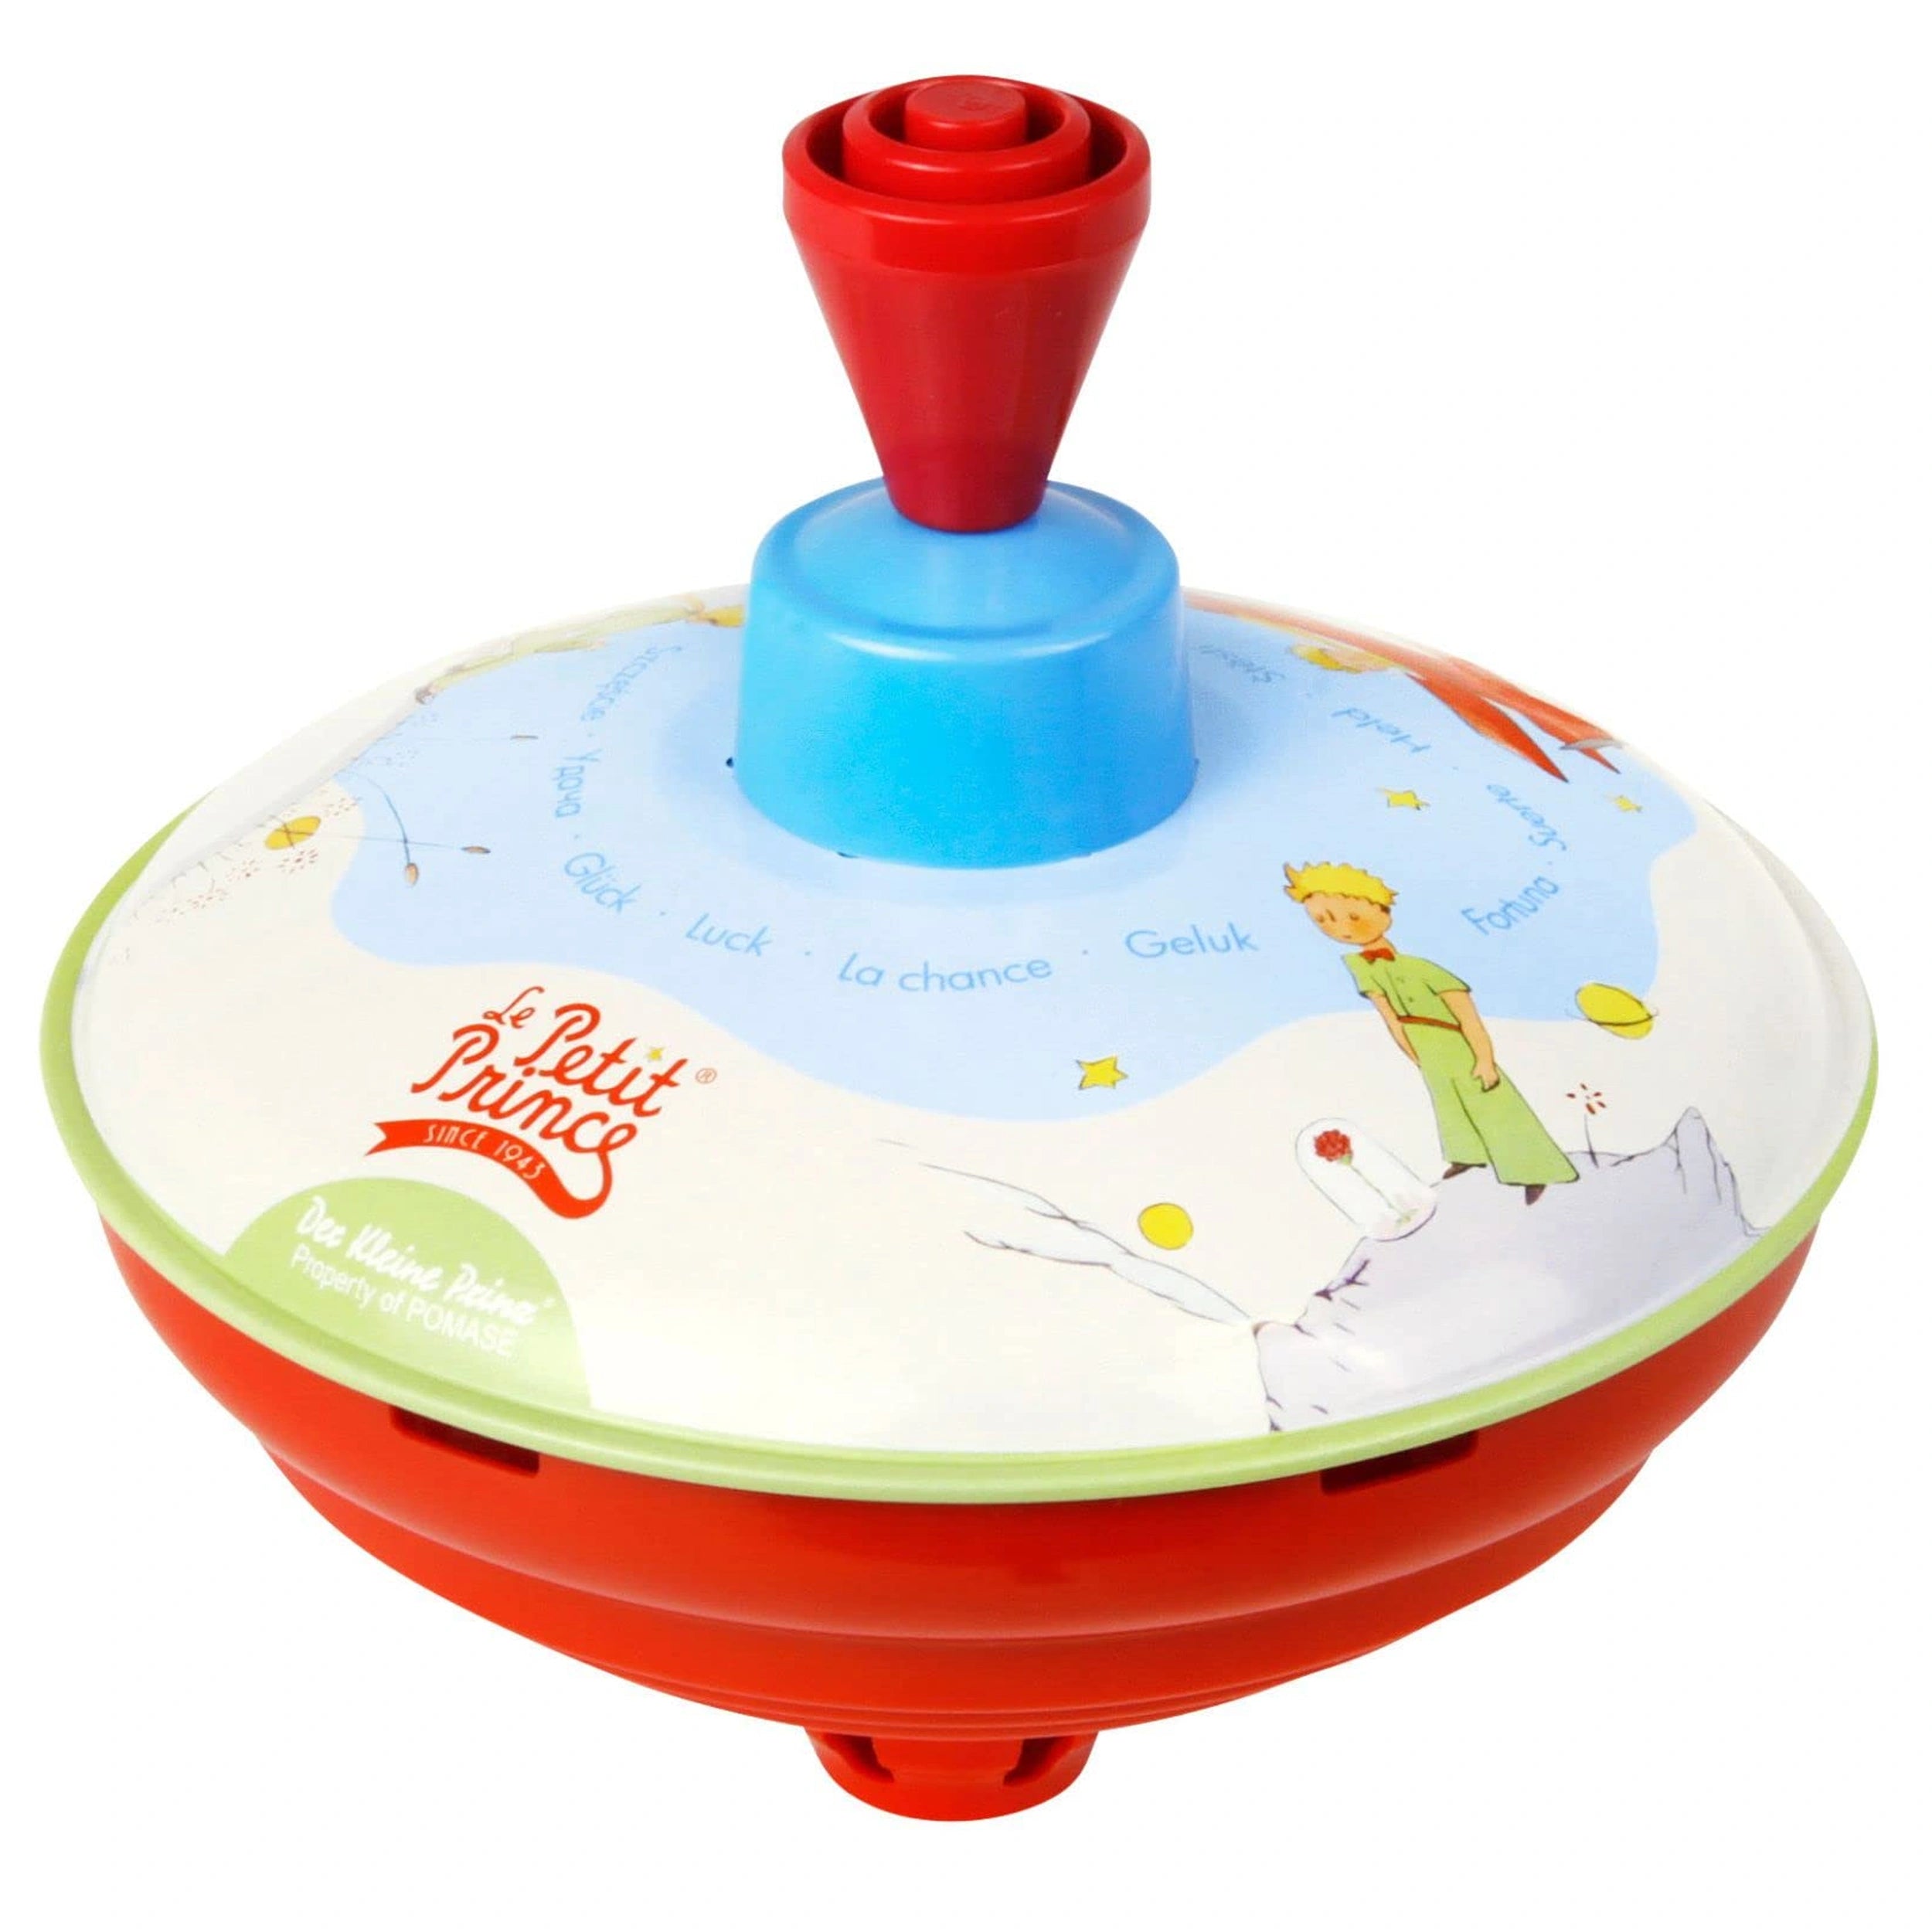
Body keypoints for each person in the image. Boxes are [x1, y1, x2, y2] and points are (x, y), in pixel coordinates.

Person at [1284, 862, 1577, 1204]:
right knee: (1448, 1102)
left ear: (1382, 911)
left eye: (1352, 916)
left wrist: (1484, 1059)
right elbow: (1390, 1018)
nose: (1342, 928)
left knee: (1493, 1102)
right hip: (1423, 1044)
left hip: (1455, 1039)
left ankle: (1535, 1169)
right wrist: (1413, 1054)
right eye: (1323, 920)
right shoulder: (1361, 967)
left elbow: (1468, 1017)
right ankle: (1467, 1154)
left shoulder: (1423, 968)